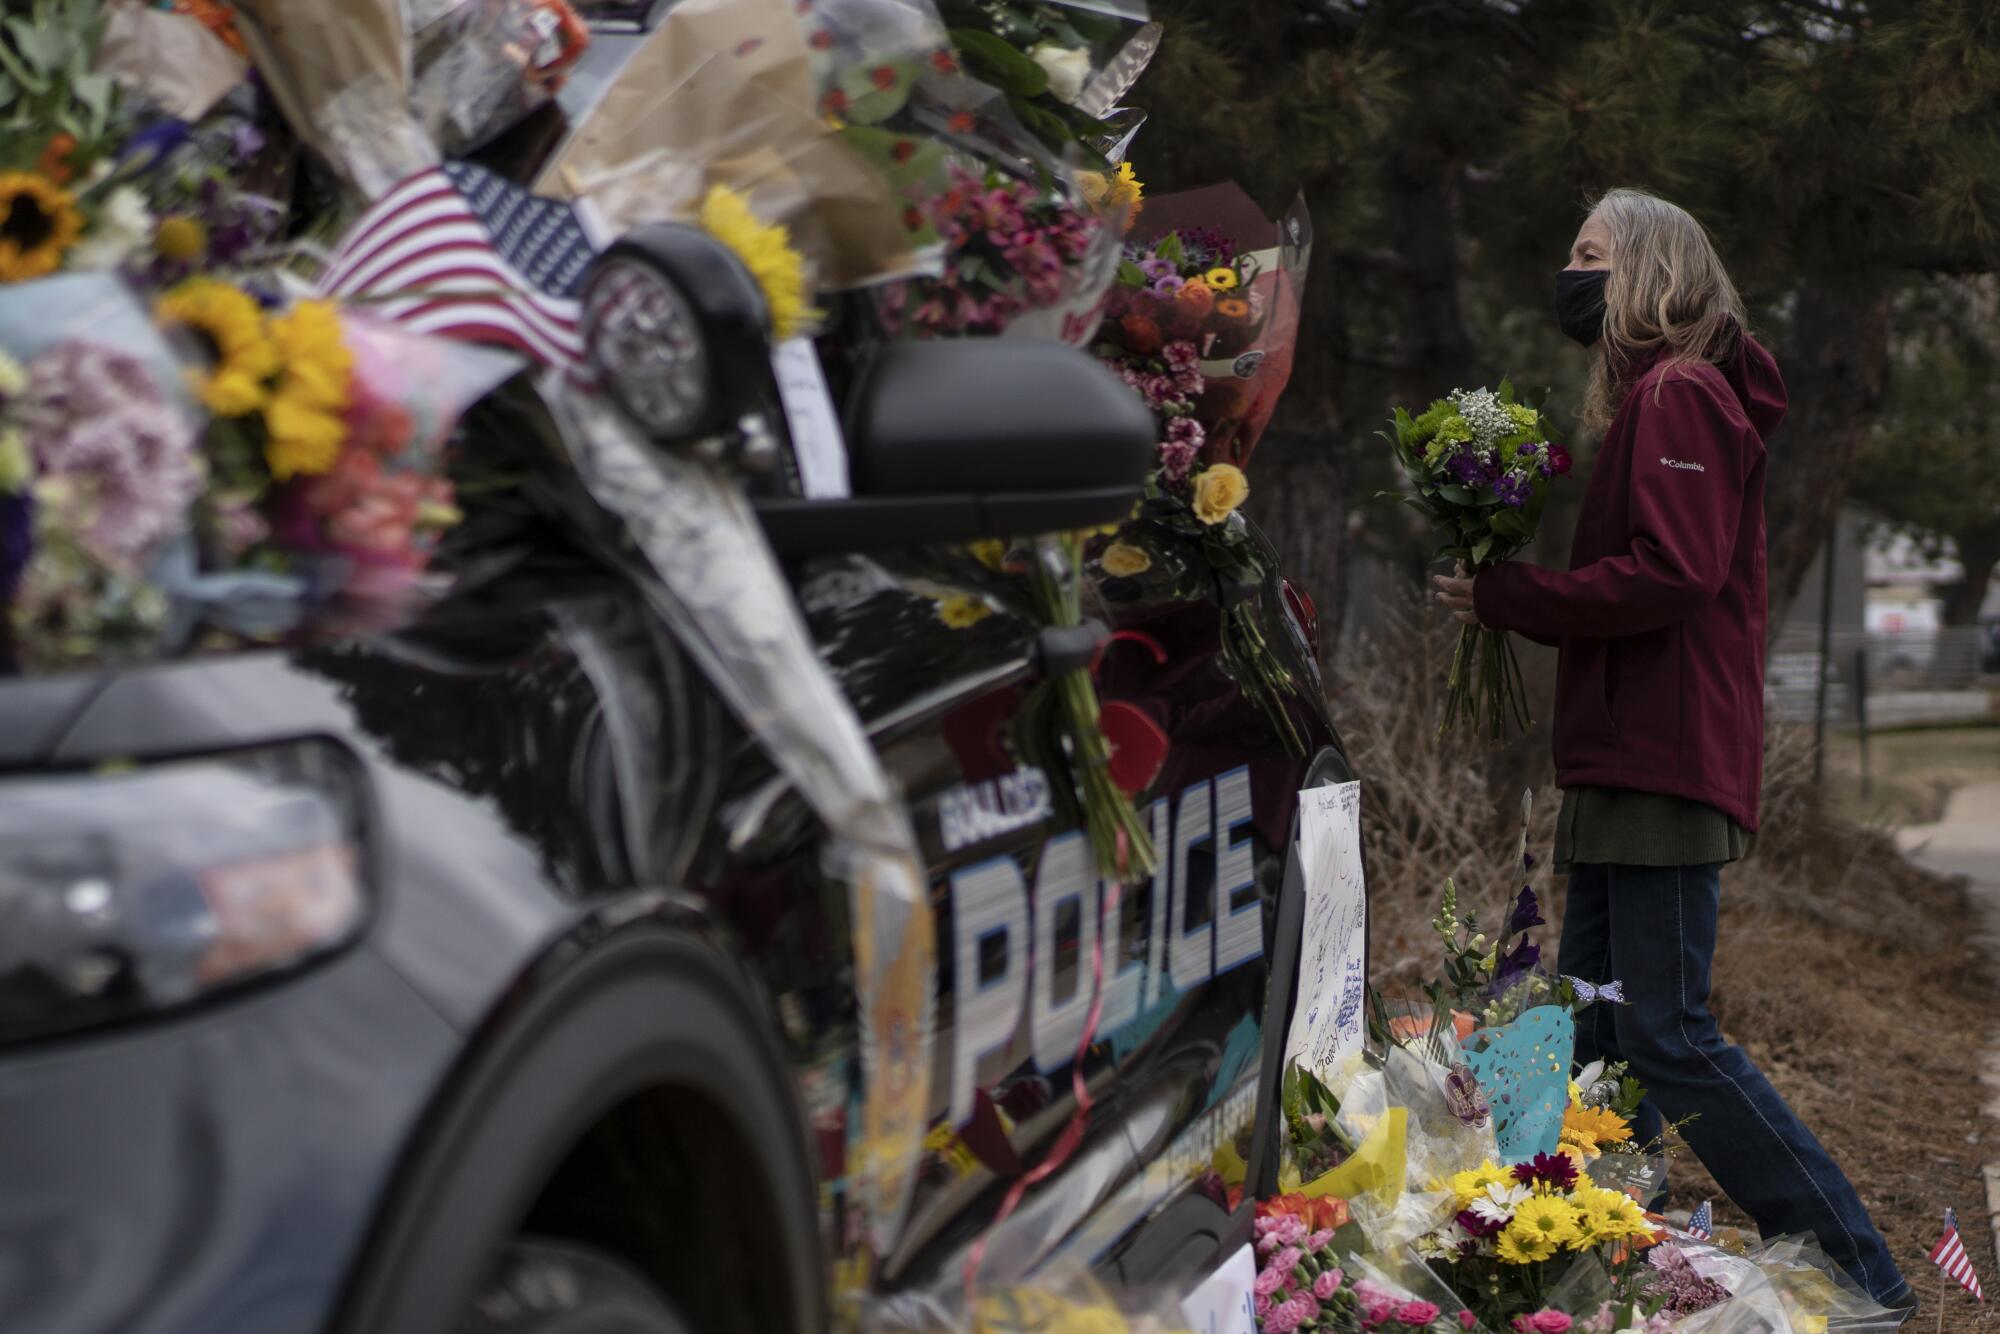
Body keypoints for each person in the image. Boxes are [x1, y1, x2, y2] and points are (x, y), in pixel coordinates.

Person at [1432, 187, 1917, 1314]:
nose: (1569, 273)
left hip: (1661, 752)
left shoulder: (1683, 394)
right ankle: (1597, 1258)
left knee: (1666, 1030)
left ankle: (1862, 1272)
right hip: (1618, 756)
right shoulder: (1658, 397)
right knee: (1601, 1034)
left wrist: (1517, 596)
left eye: (1588, 254)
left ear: (1647, 270)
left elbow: (1673, 573)